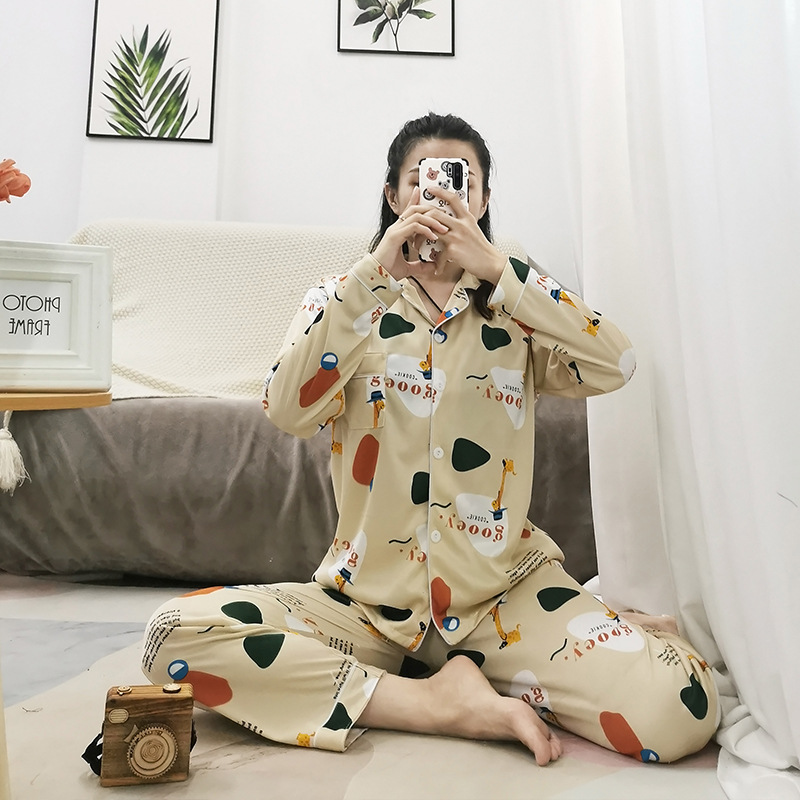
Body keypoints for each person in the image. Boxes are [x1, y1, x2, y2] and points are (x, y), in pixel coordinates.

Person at [142, 112, 718, 766]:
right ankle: (435, 701)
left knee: (680, 707)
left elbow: (618, 363)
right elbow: (285, 410)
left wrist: (499, 269)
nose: (439, 193)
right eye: (421, 179)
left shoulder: (518, 314)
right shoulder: (343, 302)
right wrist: (372, 275)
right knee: (172, 636)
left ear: (484, 200)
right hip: (366, 606)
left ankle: (573, 640)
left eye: (459, 180)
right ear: (393, 196)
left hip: (505, 601)